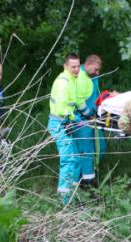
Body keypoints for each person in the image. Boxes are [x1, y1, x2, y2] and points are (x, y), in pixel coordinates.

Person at [48, 53, 89, 204]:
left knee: (76, 159)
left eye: (78, 66)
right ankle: (64, 201)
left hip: (66, 123)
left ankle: (73, 194)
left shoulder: (72, 80)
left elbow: (74, 102)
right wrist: (75, 119)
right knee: (68, 160)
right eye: (73, 67)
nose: (77, 69)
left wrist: (80, 117)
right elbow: (62, 108)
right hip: (59, 124)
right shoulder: (63, 82)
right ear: (65, 66)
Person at [69, 54, 101, 188]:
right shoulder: (79, 77)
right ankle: (86, 184)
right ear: (87, 65)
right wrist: (89, 116)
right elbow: (79, 101)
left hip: (91, 117)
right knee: (85, 152)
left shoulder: (92, 76)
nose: (97, 73)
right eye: (95, 69)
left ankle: (88, 177)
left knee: (97, 149)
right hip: (82, 119)